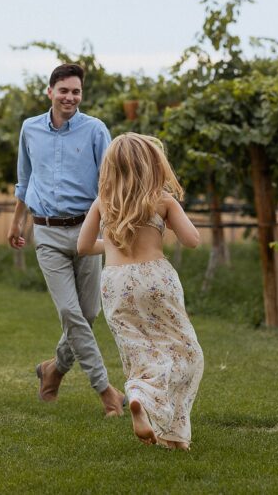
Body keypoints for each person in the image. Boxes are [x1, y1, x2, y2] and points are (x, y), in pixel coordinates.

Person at [7, 63, 127, 417]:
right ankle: (106, 391)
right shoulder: (30, 129)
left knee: (88, 313)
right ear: (50, 92)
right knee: (69, 312)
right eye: (63, 91)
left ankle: (53, 370)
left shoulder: (95, 130)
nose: (70, 97)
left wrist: (116, 226)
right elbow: (24, 181)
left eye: (76, 92)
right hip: (46, 231)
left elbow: (109, 183)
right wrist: (17, 223)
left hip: (88, 231)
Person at [77, 132, 204, 449]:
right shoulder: (162, 200)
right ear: (151, 164)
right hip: (156, 280)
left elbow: (82, 246)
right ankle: (172, 434)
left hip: (115, 283)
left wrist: (116, 242)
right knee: (185, 351)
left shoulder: (103, 203)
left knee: (139, 354)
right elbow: (192, 240)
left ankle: (136, 394)